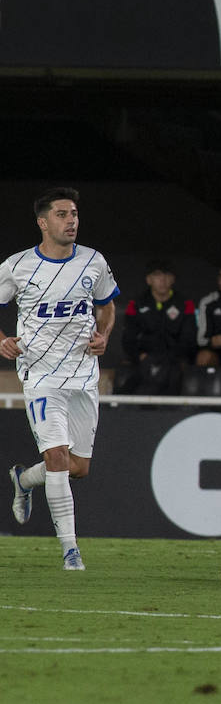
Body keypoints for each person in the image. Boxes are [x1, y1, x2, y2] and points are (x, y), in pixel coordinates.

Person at [1, 188, 119, 570]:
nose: (71, 221)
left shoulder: (93, 262)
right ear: (43, 222)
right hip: (39, 375)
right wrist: (2, 341)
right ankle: (71, 550)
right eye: (62, 214)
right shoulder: (17, 266)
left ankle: (23, 480)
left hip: (84, 376)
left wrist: (104, 335)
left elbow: (107, 305)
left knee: (77, 467)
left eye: (74, 214)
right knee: (56, 455)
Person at [120, 260, 197, 394]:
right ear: (149, 280)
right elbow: (128, 337)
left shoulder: (186, 304)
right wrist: (139, 355)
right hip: (144, 360)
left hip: (174, 361)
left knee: (172, 374)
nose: (162, 280)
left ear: (173, 279)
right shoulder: (136, 304)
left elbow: (189, 338)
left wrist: (171, 358)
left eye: (166, 275)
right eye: (157, 275)